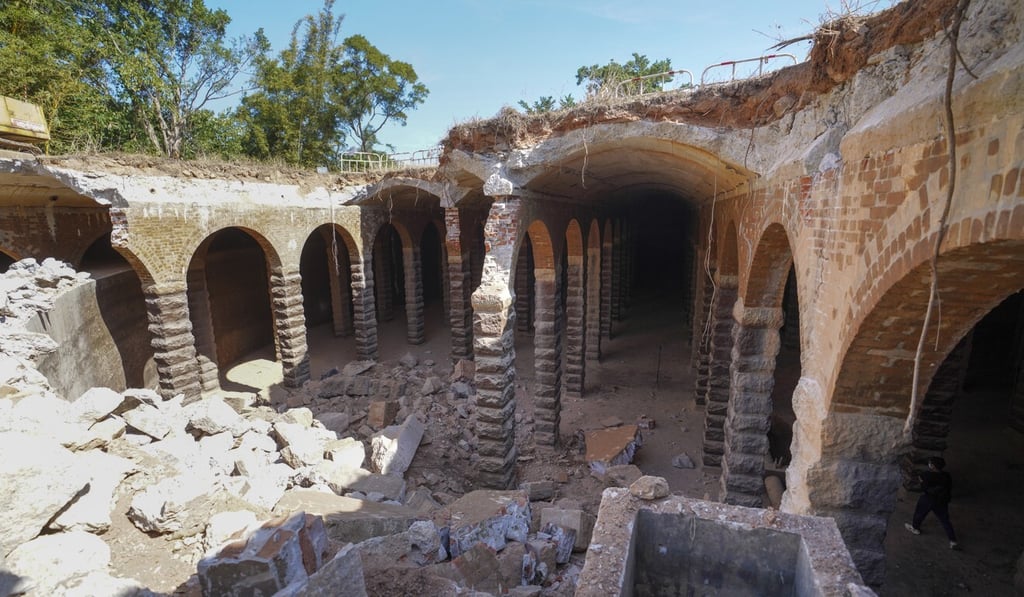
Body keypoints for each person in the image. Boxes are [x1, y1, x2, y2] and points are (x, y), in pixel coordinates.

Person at [904, 456, 959, 549]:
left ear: (933, 466)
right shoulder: (947, 475)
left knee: (919, 513)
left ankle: (915, 528)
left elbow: (923, 487)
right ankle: (953, 540)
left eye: (930, 463)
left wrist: (921, 481)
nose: (929, 464)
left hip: (928, 499)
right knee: (945, 520)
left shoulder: (926, 475)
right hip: (941, 500)